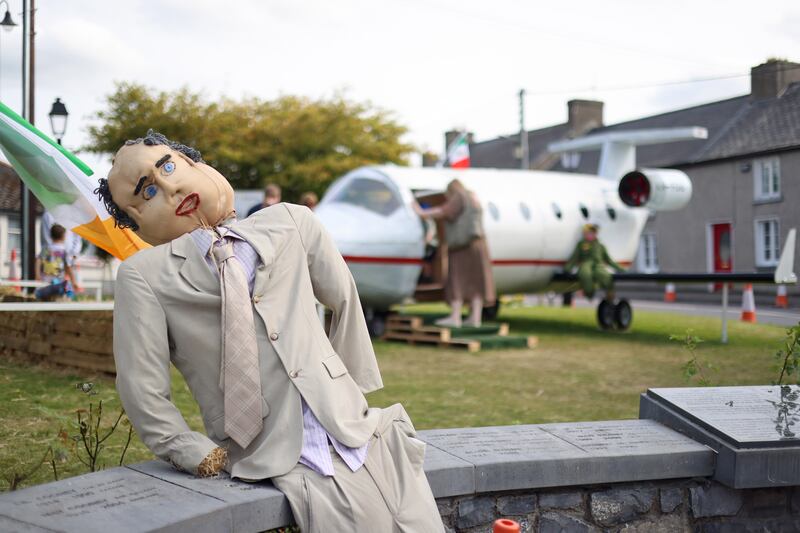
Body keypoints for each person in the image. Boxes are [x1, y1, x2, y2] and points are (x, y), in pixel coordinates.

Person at [95, 131, 443, 532]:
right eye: (149, 192)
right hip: (266, 451)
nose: (172, 188)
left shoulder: (291, 222)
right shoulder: (145, 276)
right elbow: (142, 385)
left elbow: (344, 297)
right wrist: (189, 449)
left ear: (196, 164)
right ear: (134, 221)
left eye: (169, 167)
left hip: (357, 429)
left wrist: (349, 384)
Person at [413, 179, 495, 328]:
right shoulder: (472, 197)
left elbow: (444, 211)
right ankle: (475, 318)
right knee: (477, 282)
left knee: (456, 279)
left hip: (461, 247)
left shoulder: (459, 196)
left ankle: (455, 317)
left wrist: (421, 212)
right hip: (478, 245)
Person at [564, 223, 625, 300]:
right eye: (588, 233)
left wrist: (620, 268)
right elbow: (574, 257)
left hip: (598, 265)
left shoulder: (600, 246)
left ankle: (610, 292)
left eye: (592, 233)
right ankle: (589, 292)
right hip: (585, 264)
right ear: (584, 234)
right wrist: (568, 268)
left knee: (605, 275)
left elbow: (609, 260)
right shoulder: (581, 244)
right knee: (585, 274)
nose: (590, 235)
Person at [35, 224, 79, 300]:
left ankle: (39, 294)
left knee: (43, 294)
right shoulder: (65, 251)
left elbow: (38, 260)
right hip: (58, 283)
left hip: (45, 282)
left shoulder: (46, 248)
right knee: (68, 289)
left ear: (51, 236)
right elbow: (68, 267)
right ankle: (69, 301)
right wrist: (74, 281)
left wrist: (37, 275)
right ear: (64, 236)